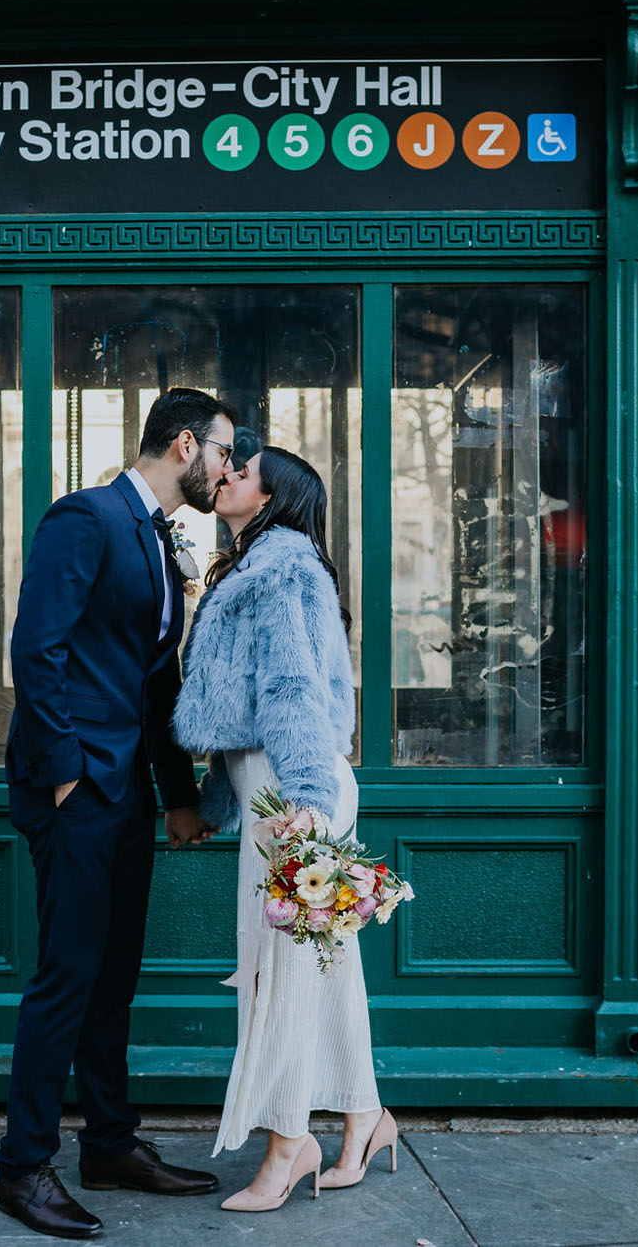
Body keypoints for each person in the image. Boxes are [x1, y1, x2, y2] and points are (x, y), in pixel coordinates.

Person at [0, 387, 237, 1240]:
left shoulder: (160, 541)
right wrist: (63, 776)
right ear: (183, 444)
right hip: (76, 793)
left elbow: (155, 680)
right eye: (221, 452)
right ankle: (24, 1168)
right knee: (67, 977)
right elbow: (37, 648)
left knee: (111, 980)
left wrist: (176, 797)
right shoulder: (86, 516)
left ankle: (108, 1145)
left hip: (127, 793)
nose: (226, 468)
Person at [173, 446, 395, 1212]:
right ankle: (365, 1115)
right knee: (323, 968)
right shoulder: (260, 561)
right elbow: (243, 703)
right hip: (279, 787)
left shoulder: (281, 566)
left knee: (281, 976)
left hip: (293, 792)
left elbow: (292, 687)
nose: (225, 474)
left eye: (243, 470)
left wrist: (300, 797)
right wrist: (215, 801)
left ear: (273, 497)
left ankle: (286, 1143)